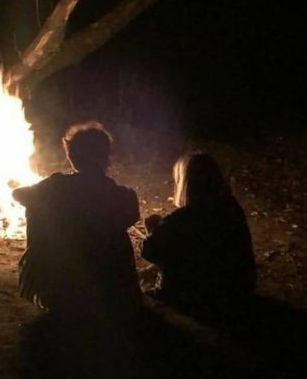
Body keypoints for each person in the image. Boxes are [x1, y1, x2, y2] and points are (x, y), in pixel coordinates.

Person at [13, 121, 142, 321]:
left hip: (61, 293)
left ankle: (42, 282)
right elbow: (132, 213)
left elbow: (19, 194)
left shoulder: (56, 186)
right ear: (106, 157)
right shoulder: (121, 196)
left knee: (38, 206)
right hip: (113, 293)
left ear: (71, 156)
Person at [141, 153, 256, 322]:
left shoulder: (184, 217)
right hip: (238, 291)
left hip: (197, 299)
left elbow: (148, 250)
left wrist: (154, 229)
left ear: (186, 184)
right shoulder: (231, 206)